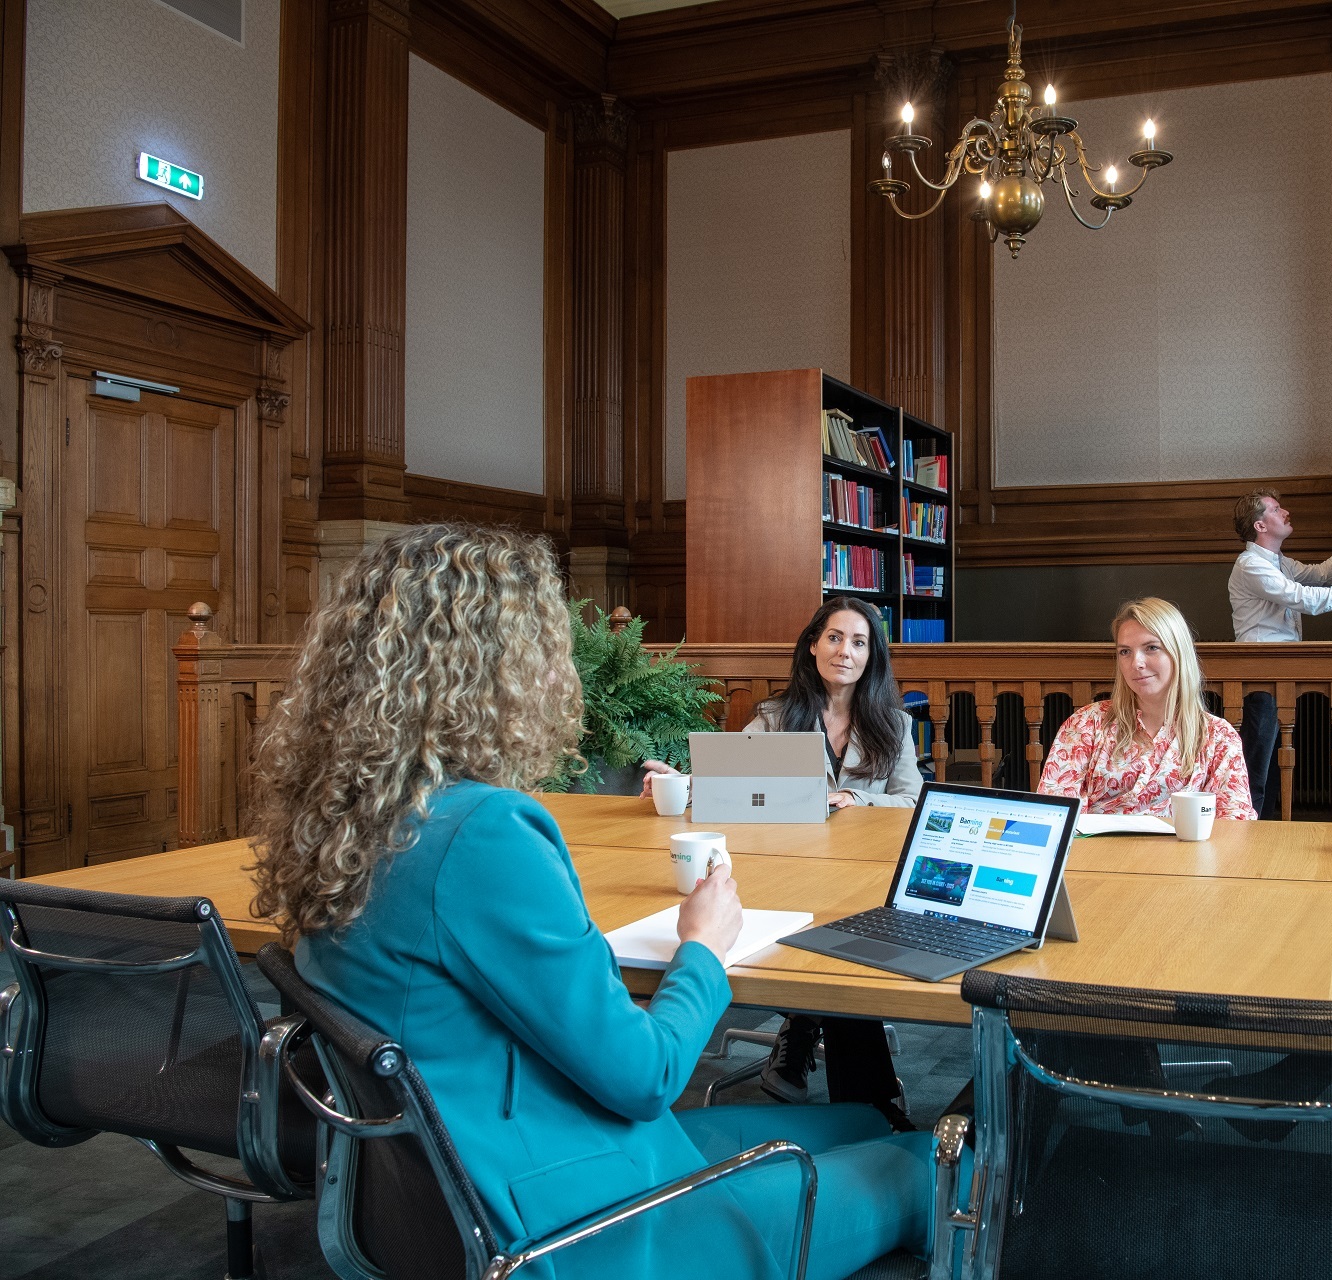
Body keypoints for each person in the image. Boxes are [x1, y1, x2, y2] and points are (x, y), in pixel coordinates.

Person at [250, 525, 940, 1280]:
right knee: (929, 1157)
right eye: (544, 646)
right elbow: (646, 1076)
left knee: (860, 1118)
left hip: (469, 1171)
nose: (559, 670)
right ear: (497, 668)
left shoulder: (343, 818)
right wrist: (703, 945)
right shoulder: (484, 834)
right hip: (576, 1223)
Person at [642, 597, 921, 1116]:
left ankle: (801, 1028)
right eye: (834, 637)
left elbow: (912, 802)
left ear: (872, 656)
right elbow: (731, 780)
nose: (844, 651)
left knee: (841, 939)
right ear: (813, 645)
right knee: (834, 953)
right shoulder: (775, 718)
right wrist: (683, 783)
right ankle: (869, 1110)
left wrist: (856, 798)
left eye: (858, 642)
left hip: (864, 874)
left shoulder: (895, 726)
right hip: (791, 869)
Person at [1038, 596, 1257, 820]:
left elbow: (1235, 824)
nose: (1136, 663)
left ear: (1178, 653)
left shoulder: (1218, 737)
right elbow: (1053, 814)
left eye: (1151, 648)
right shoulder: (1086, 724)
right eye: (1125, 652)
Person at [1227, 490, 1332, 818]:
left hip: (1281, 671)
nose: (1286, 512)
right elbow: (1304, 599)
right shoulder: (1250, 565)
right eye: (1277, 509)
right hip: (1261, 674)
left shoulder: (1279, 563)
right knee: (1258, 765)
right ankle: (1246, 830)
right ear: (1260, 525)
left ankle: (1265, 830)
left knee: (1275, 765)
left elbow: (1322, 575)